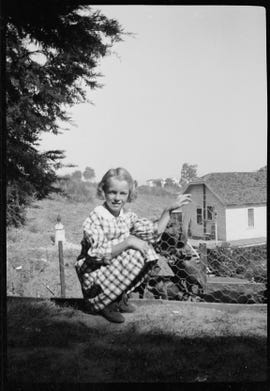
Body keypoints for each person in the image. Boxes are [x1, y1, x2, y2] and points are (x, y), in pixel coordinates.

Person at [75, 167, 191, 323]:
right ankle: (104, 303)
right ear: (103, 192)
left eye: (122, 193)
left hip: (109, 272)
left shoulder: (126, 217)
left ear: (129, 194)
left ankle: (118, 298)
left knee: (144, 249)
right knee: (134, 248)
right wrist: (129, 241)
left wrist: (168, 210)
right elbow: (96, 254)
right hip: (93, 276)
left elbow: (154, 232)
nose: (117, 198)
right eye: (112, 192)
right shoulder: (97, 217)